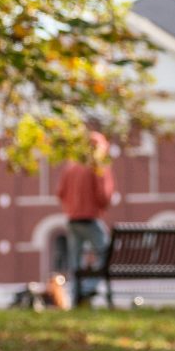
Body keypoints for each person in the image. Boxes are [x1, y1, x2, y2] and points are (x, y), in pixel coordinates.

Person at [57, 132, 117, 308]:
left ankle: (76, 296)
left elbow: (60, 192)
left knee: (76, 260)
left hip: (72, 219)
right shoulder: (98, 167)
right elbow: (104, 196)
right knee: (106, 253)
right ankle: (88, 288)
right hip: (90, 219)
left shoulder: (71, 167)